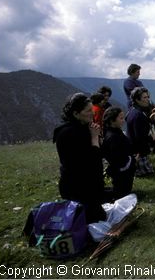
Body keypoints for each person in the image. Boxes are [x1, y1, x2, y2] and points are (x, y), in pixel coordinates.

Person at [52, 93, 111, 223]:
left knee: (99, 216)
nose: (92, 113)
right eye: (88, 111)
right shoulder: (70, 134)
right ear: (76, 114)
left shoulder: (82, 129)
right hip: (78, 187)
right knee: (94, 220)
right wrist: (95, 138)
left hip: (82, 184)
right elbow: (92, 161)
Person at [101, 107, 136, 198]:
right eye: (120, 118)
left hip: (123, 168)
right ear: (112, 121)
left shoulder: (115, 131)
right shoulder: (113, 137)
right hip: (121, 170)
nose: (123, 120)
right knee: (122, 193)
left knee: (125, 190)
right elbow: (116, 159)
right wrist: (131, 160)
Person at [126, 87, 154, 176]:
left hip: (133, 150)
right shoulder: (138, 115)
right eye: (144, 98)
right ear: (137, 100)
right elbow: (140, 138)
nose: (147, 100)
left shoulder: (133, 111)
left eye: (147, 97)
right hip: (138, 152)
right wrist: (152, 139)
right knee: (148, 172)